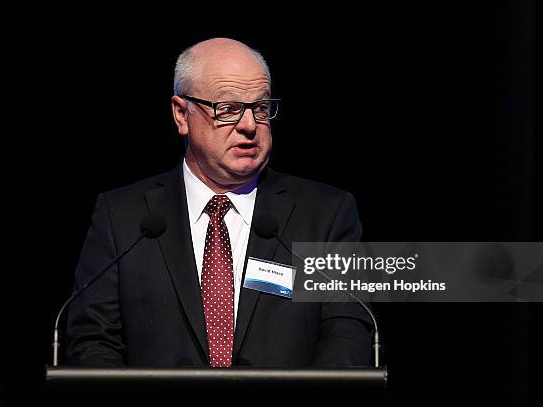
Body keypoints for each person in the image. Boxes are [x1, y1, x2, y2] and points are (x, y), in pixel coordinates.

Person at [65, 38, 372, 367]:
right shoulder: (124, 218)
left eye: (261, 107)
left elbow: (347, 335)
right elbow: (92, 341)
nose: (250, 125)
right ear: (182, 114)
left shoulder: (326, 215)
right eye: (228, 110)